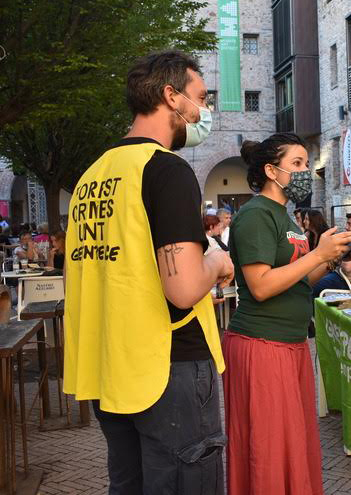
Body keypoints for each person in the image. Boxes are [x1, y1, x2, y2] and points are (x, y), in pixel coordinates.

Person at [64, 50, 233, 495]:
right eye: (199, 97)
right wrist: (215, 261)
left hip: (110, 367)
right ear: (170, 96)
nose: (203, 110)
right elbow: (181, 289)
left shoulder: (91, 178)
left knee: (129, 484)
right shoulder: (165, 170)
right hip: (168, 367)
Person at [224, 133, 351, 495]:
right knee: (267, 449)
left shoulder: (283, 216)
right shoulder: (254, 216)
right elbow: (262, 285)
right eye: (296, 164)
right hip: (262, 344)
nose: (304, 172)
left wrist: (331, 255)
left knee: (291, 443)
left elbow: (298, 280)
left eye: (305, 164)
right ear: (271, 170)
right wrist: (316, 255)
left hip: (290, 343)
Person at [312, 211, 351, 297]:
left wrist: (336, 256)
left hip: (345, 280)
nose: (346, 227)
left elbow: (348, 267)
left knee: (311, 286)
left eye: (349, 224)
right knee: (309, 280)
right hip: (338, 275)